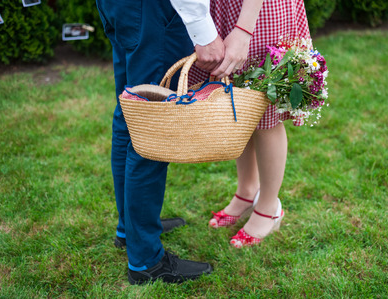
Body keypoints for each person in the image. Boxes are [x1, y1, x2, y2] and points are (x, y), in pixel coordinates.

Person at [95, 0, 225, 284]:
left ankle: (132, 230)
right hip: (151, 8)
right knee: (153, 124)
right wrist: (202, 29)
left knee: (130, 113)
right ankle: (146, 261)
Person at [193, 0, 312, 247]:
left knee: (265, 112)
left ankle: (269, 207)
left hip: (259, 10)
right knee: (238, 108)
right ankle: (247, 191)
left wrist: (244, 30)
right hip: (225, 8)